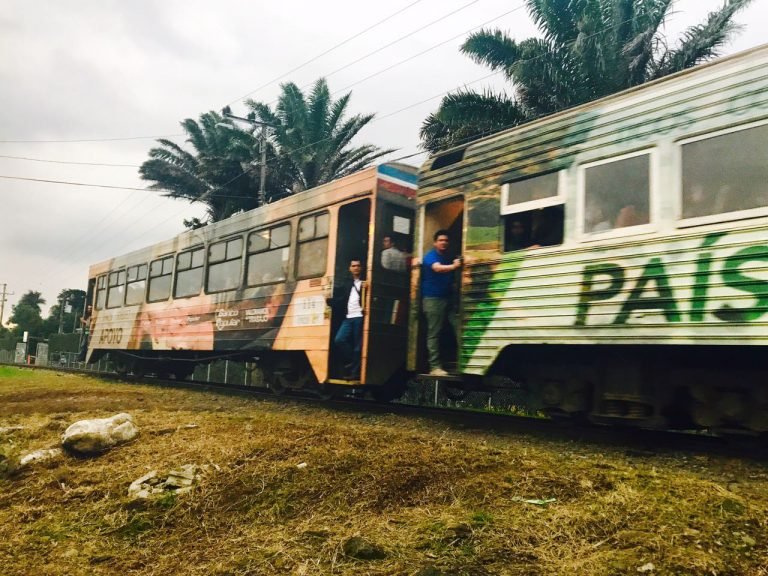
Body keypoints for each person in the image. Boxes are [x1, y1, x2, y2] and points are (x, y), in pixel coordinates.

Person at [422, 230, 462, 376]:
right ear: (435, 243)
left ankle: (463, 363)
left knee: (459, 327)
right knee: (434, 333)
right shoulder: (430, 256)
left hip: (447, 298)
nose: (443, 242)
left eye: (446, 240)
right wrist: (454, 266)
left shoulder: (447, 257)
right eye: (440, 240)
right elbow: (437, 268)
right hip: (432, 299)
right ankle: (434, 367)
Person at [328, 259, 365, 380]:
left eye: (358, 266)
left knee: (357, 346)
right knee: (339, 339)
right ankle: (352, 361)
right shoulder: (347, 283)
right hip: (348, 318)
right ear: (350, 268)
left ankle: (355, 372)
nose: (356, 268)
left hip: (359, 317)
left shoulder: (365, 282)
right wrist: (329, 301)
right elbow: (342, 299)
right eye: (353, 266)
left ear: (361, 268)